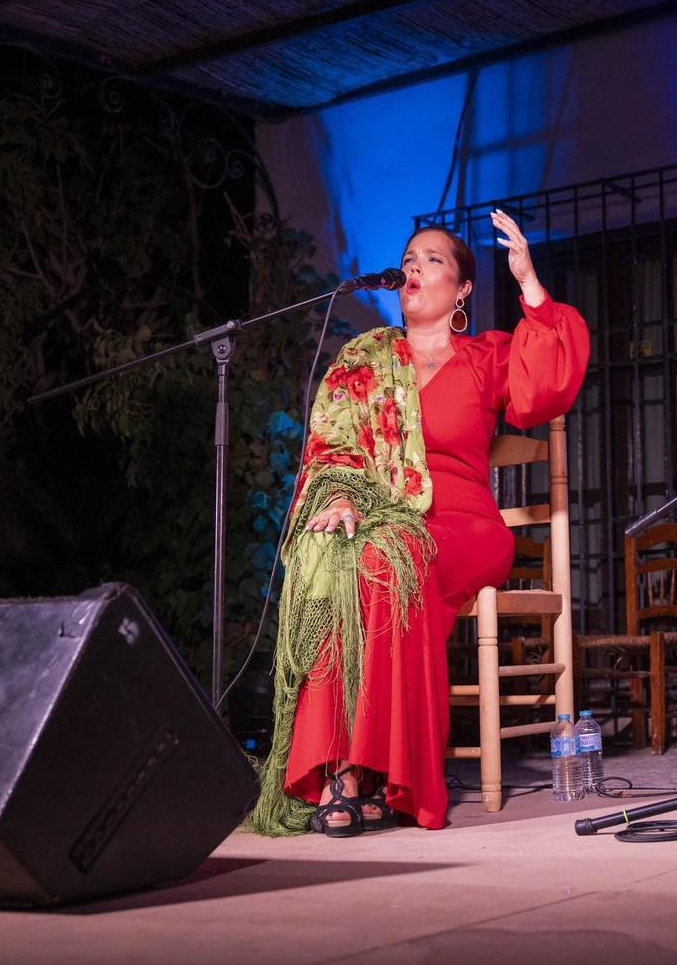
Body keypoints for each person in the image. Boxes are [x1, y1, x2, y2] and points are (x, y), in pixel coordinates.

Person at [248, 209, 588, 836]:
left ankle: (366, 774)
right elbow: (335, 450)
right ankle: (352, 776)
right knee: (341, 558)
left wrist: (529, 282)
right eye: (409, 258)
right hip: (382, 523)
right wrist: (343, 497)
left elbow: (550, 385)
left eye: (433, 260)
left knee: (383, 558)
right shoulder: (364, 360)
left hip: (465, 528)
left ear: (462, 289)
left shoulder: (487, 354)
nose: (413, 267)